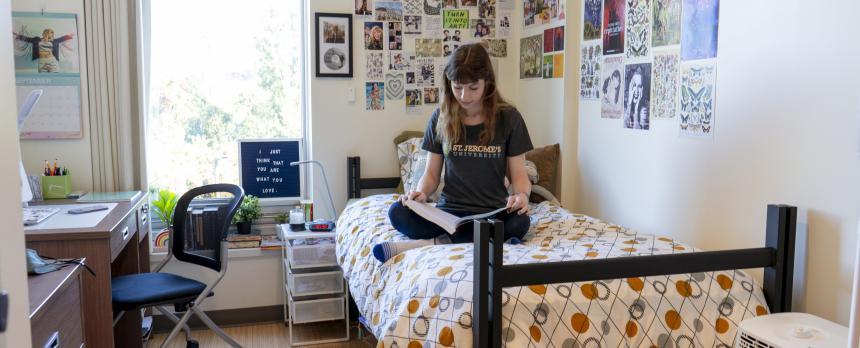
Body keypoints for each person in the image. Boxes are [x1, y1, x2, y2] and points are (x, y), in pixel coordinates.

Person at [373, 43, 533, 263]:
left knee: (520, 222)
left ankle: (438, 242)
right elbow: (431, 174)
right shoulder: (440, 117)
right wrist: (420, 194)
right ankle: (468, 238)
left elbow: (519, 176)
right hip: (447, 214)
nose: (464, 95)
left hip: (492, 214)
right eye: (457, 87)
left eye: (473, 87)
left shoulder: (509, 118)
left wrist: (522, 196)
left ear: (488, 82)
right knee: (398, 212)